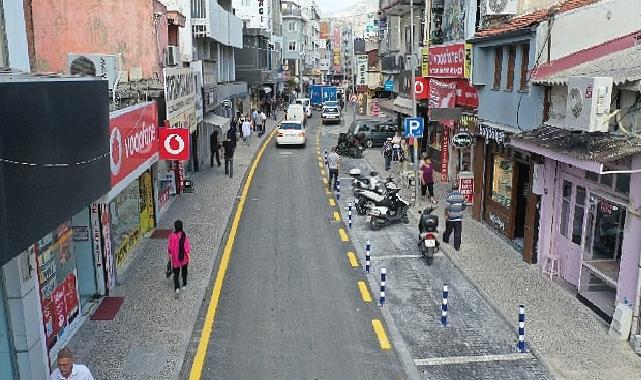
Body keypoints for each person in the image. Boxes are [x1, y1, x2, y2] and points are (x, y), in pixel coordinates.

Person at [168, 220, 191, 298]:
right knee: (184, 271)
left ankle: (177, 288)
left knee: (176, 274)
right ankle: (184, 284)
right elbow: (187, 247)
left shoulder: (172, 236)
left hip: (175, 258)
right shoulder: (184, 235)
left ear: (175, 227)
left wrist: (170, 256)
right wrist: (188, 254)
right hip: (183, 258)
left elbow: (170, 248)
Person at [443, 182, 466, 252]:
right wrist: (460, 210)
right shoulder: (461, 196)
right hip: (458, 217)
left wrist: (446, 214)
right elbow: (464, 205)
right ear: (458, 188)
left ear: (452, 188)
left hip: (450, 217)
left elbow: (447, 207)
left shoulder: (450, 196)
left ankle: (445, 240)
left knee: (448, 230)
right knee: (458, 232)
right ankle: (457, 246)